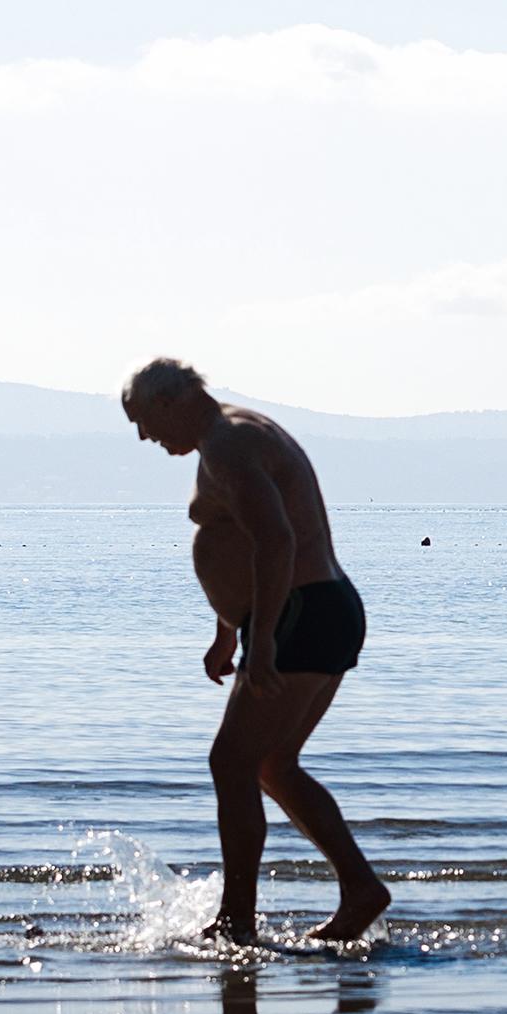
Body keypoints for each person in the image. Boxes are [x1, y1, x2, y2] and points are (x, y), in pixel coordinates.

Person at [121, 359, 393, 947]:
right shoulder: (230, 436)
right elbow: (242, 545)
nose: (144, 436)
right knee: (272, 764)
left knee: (232, 763)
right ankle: (359, 888)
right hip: (311, 611)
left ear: (172, 401)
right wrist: (230, 631)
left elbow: (276, 540)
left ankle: (237, 920)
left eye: (143, 420)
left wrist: (262, 637)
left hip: (301, 614)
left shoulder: (230, 444)